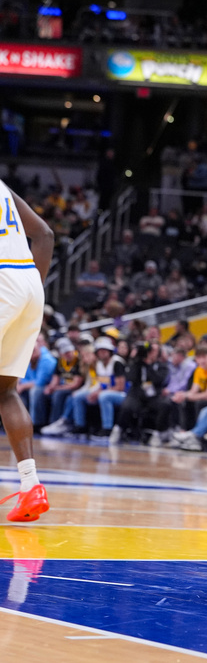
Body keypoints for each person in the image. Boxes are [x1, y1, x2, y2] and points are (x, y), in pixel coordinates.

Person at [0, 179, 54, 522]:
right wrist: (32, 293)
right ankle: (31, 485)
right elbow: (45, 234)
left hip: (4, 281)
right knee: (5, 390)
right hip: (29, 283)